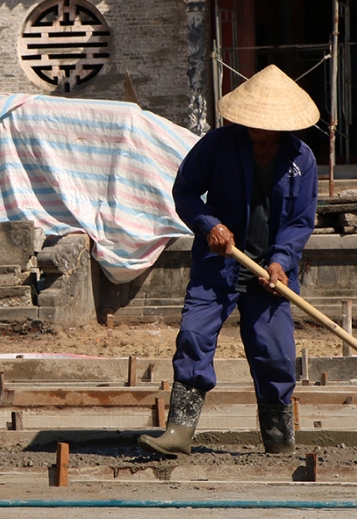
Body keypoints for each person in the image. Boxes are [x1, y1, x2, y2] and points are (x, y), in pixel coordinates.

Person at [139, 64, 319, 457]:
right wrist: (209, 224)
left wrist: (280, 263)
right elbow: (185, 192)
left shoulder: (300, 159)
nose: (260, 136)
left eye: (268, 129)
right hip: (217, 265)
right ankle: (180, 432)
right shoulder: (217, 145)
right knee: (193, 337)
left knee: (275, 352)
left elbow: (299, 222)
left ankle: (278, 439)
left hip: (269, 272)